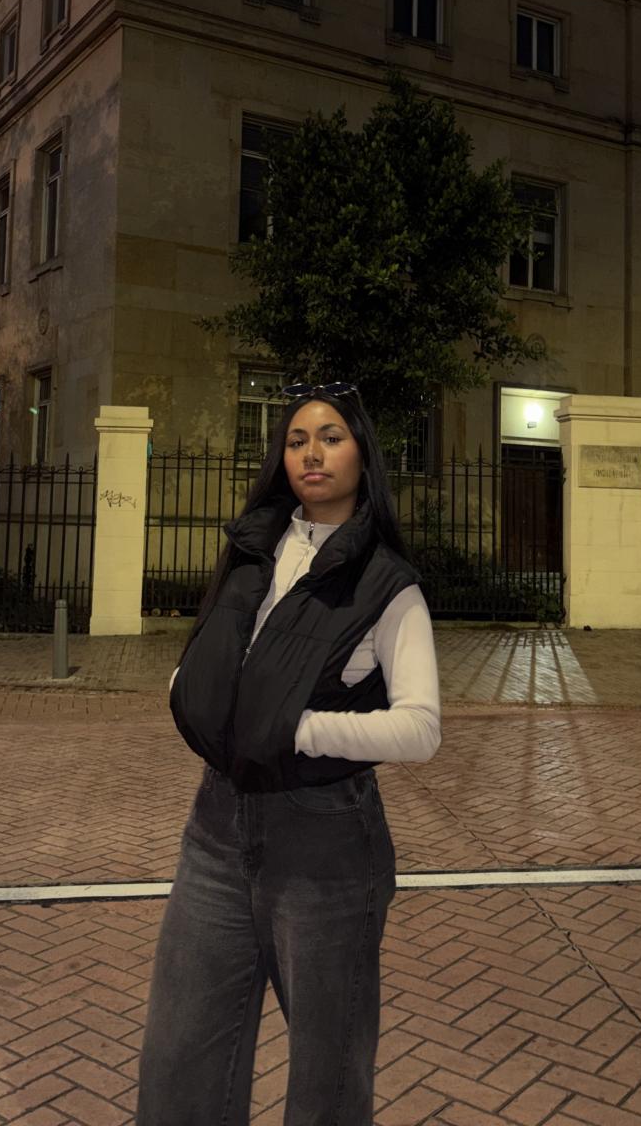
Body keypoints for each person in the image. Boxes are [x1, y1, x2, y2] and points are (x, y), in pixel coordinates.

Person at [136, 382, 441, 1125]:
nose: (312, 453)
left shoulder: (386, 584)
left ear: (363, 456)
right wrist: (186, 687)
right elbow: (208, 655)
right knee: (181, 1061)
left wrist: (296, 728)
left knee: (325, 1083)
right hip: (216, 830)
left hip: (325, 845)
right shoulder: (250, 552)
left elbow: (420, 728)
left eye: (332, 437)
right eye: (297, 439)